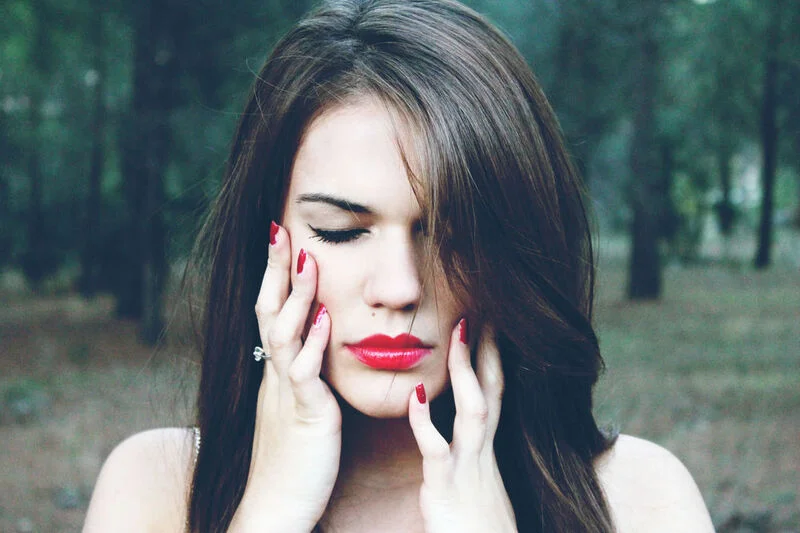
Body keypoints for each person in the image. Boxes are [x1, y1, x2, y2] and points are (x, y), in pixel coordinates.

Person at [83, 1, 715, 531]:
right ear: (265, 241)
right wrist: (269, 512)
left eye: (453, 234)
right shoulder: (156, 491)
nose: (400, 287)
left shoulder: (638, 499)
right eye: (341, 231)